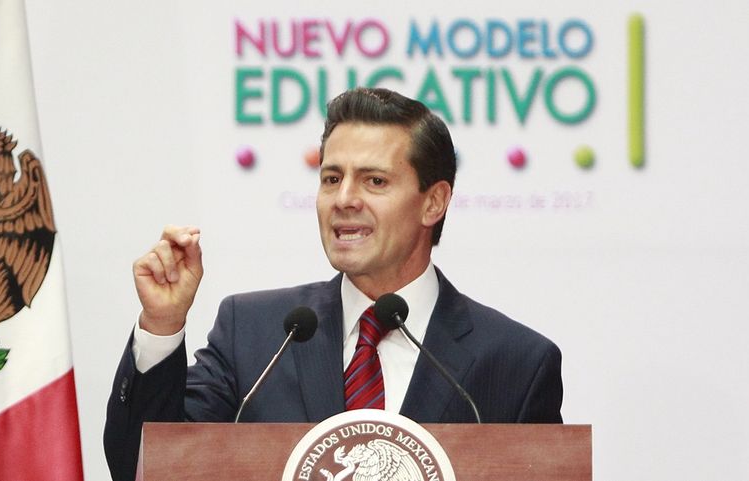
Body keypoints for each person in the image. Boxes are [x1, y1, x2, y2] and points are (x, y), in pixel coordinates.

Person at [104, 88, 563, 481]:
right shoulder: (256, 334)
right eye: (331, 178)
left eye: (374, 181)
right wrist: (162, 326)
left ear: (433, 202)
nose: (344, 200)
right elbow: (143, 467)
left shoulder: (517, 363)